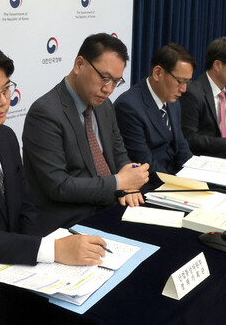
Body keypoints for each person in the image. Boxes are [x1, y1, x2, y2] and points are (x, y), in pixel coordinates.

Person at [22, 33, 149, 235]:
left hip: (110, 206)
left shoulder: (104, 105)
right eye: (104, 78)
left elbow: (118, 153)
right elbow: (58, 186)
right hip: (69, 221)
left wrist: (130, 179)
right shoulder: (45, 113)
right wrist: (119, 182)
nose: (108, 89)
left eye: (116, 81)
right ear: (79, 64)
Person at [0, 46, 107, 265]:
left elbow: (25, 206)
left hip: (22, 262)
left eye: (6, 90)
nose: (3, 101)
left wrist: (40, 259)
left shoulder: (6, 136)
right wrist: (48, 251)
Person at [114, 43, 195, 179]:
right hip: (151, 183)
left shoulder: (172, 101)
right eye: (180, 81)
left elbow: (182, 147)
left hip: (173, 177)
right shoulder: (128, 107)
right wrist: (179, 185)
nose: (184, 89)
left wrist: (195, 174)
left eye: (187, 82)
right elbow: (145, 163)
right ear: (158, 73)